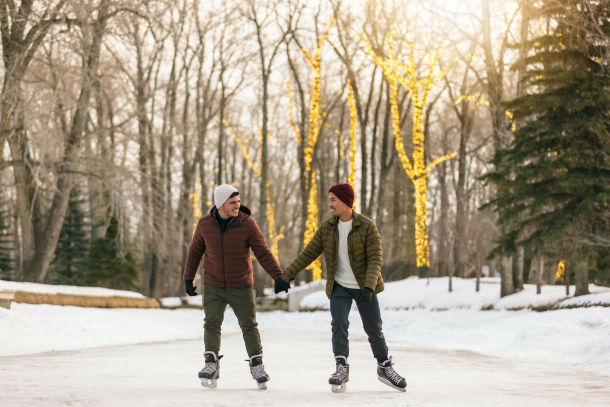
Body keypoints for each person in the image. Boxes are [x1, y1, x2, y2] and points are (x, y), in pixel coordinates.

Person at [274, 183, 407, 393]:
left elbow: (375, 259)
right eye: (329, 200)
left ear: (346, 201)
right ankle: (341, 367)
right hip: (339, 286)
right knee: (339, 323)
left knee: (374, 328)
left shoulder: (367, 226)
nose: (330, 205)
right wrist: (286, 276)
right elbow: (308, 253)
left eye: (333, 200)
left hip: (365, 286)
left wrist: (368, 286)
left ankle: (384, 367)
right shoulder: (327, 228)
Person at [183, 184, 283, 390]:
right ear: (221, 203)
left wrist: (278, 277)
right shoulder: (204, 224)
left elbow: (263, 252)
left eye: (238, 201)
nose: (238, 205)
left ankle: (257, 365)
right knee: (211, 323)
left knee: (249, 325)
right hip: (213, 284)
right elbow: (195, 252)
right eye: (233, 202)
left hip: (241, 284)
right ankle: (211, 363)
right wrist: (188, 278)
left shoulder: (247, 224)